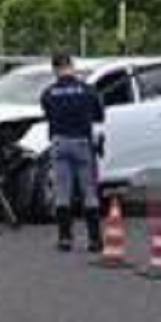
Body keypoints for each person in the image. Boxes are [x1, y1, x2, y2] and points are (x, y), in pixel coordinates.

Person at [40, 53, 105, 252]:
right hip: (82, 143)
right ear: (71, 66)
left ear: (55, 69)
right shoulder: (88, 90)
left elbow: (49, 115)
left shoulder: (48, 93)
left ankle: (65, 239)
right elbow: (99, 116)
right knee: (89, 192)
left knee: (62, 192)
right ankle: (94, 240)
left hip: (59, 143)